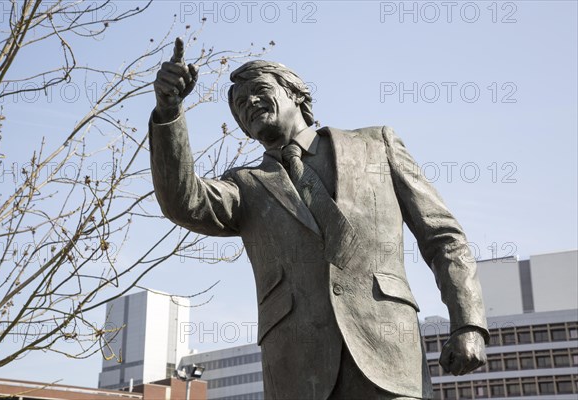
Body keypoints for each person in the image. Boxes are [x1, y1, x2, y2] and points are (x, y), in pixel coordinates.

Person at [150, 38, 489, 400]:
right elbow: (183, 202)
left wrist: (468, 323)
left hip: (387, 358)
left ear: (296, 93)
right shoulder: (244, 186)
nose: (248, 103)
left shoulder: (376, 145)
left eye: (259, 90)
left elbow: (444, 237)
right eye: (238, 104)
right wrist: (168, 110)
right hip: (296, 371)